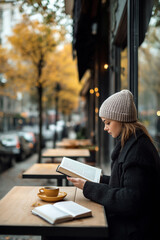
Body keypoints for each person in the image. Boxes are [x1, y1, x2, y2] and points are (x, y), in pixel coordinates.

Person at [67, 89, 160, 240]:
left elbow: (129, 201)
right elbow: (125, 183)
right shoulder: (132, 143)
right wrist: (98, 179)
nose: (105, 128)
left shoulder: (138, 151)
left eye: (108, 122)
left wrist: (88, 187)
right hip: (129, 224)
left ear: (121, 120)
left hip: (133, 231)